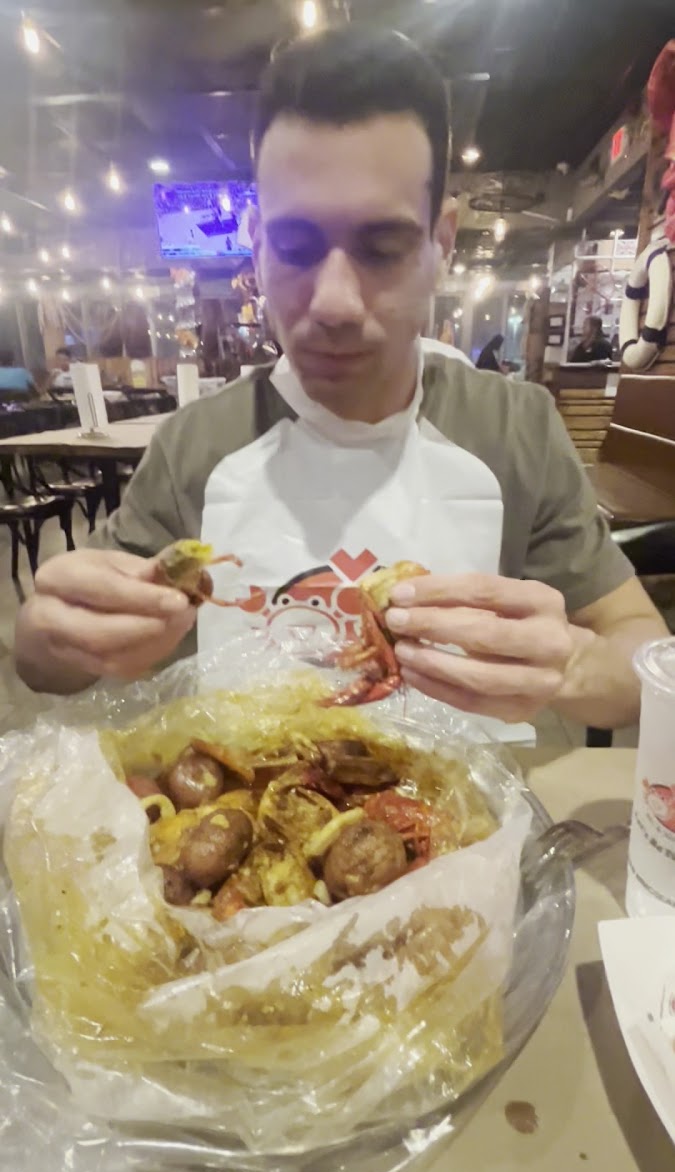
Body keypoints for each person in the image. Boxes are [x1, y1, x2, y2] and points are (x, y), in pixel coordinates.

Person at [14, 28, 667, 734]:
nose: (333, 303)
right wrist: (52, 635)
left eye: (381, 248)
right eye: (295, 247)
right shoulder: (195, 444)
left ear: (440, 245)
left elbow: (642, 651)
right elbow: (44, 668)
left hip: (465, 799)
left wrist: (573, 664)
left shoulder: (515, 428)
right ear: (256, 247)